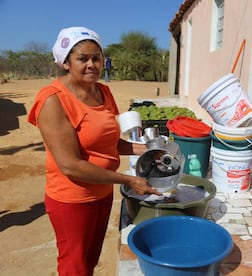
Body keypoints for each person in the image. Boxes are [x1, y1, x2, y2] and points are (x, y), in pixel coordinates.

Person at [27, 26, 161, 276]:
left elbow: (108, 144)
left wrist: (148, 150)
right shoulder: (53, 100)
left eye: (96, 58)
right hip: (72, 199)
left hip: (102, 194)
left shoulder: (104, 92)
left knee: (89, 261)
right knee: (74, 266)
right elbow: (70, 165)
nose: (92, 64)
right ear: (66, 63)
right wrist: (129, 179)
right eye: (82, 58)